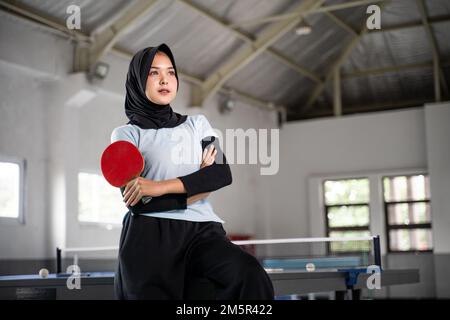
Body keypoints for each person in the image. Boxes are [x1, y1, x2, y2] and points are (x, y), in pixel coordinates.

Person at [111, 43, 274, 300]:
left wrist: (159, 186)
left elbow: (221, 173)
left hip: (203, 232)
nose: (165, 79)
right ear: (138, 80)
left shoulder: (197, 124)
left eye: (171, 72)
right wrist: (199, 185)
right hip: (150, 238)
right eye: (154, 73)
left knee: (248, 274)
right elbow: (141, 203)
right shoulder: (126, 134)